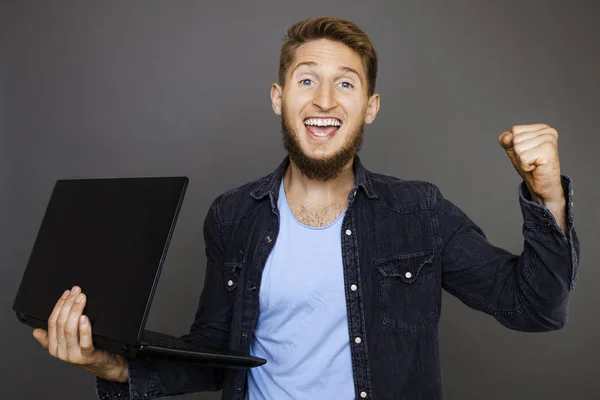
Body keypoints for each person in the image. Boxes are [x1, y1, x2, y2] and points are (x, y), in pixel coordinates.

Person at [32, 16, 579, 400]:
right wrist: (111, 364)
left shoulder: (420, 211)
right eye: (306, 80)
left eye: (345, 83)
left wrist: (547, 195)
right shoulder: (231, 216)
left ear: (370, 107)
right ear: (279, 97)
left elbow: (534, 307)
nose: (323, 99)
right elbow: (215, 357)